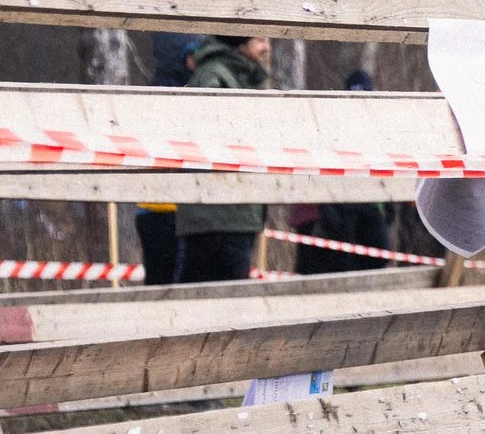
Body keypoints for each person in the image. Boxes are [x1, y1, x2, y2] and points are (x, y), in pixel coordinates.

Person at [173, 35, 273, 282]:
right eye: (260, 40)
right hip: (214, 214)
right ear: (240, 41)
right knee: (208, 304)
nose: (267, 48)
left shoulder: (243, 76)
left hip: (237, 210)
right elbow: (204, 133)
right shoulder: (213, 75)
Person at [295, 69, 397, 275]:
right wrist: (326, 205)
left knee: (378, 256)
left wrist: (390, 199)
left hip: (370, 203)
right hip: (341, 203)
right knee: (341, 262)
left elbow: (384, 163)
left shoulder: (377, 129)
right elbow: (323, 164)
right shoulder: (332, 126)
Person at [135, 31, 201, 286]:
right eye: (194, 55)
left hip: (174, 210)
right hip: (162, 211)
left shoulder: (188, 93)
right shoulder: (162, 97)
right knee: (165, 286)